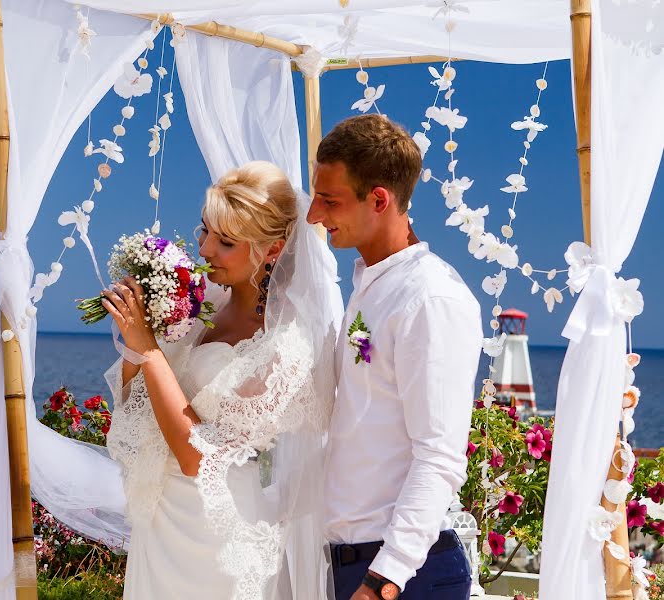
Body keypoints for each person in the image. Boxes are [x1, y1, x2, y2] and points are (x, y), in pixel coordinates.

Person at [102, 161, 343, 600]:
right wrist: (137, 336)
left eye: (226, 241)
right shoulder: (202, 301)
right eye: (204, 231)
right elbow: (134, 398)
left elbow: (201, 457)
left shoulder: (287, 346)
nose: (206, 249)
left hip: (220, 530)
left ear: (272, 249)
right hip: (161, 515)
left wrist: (150, 350)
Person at [307, 115, 482, 600]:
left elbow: (440, 456)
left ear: (379, 200)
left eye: (330, 200)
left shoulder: (430, 299)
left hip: (401, 578)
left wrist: (383, 580)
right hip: (351, 565)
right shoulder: (370, 283)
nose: (314, 216)